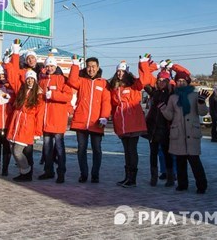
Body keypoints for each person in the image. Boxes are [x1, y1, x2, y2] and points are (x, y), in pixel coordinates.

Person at [159, 67, 209, 194]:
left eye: (183, 80)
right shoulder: (173, 98)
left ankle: (201, 185)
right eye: (178, 81)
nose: (180, 83)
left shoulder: (195, 95)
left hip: (192, 133)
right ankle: (182, 184)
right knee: (180, 162)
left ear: (187, 82)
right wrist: (163, 108)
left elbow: (203, 112)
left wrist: (202, 102)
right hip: (179, 133)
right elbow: (170, 116)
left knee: (195, 161)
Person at [67, 55, 111, 183]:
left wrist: (104, 117)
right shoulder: (81, 81)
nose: (91, 69)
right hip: (81, 122)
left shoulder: (103, 83)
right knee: (81, 149)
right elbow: (71, 81)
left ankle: (95, 174)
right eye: (88, 67)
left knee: (97, 149)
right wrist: (75, 64)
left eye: (93, 66)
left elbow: (106, 102)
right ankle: (84, 173)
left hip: (96, 123)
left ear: (98, 67)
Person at [108, 58, 150, 188]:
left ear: (127, 72)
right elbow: (114, 106)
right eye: (118, 71)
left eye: (122, 71)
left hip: (133, 122)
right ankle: (127, 177)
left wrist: (143, 63)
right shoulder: (114, 88)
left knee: (132, 150)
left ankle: (132, 178)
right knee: (127, 151)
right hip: (122, 123)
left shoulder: (134, 85)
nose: (120, 74)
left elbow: (144, 80)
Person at [5, 43, 44, 182]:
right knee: (13, 149)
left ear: (35, 80)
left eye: (32, 79)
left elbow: (39, 114)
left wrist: (37, 132)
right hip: (16, 123)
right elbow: (12, 75)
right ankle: (24, 173)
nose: (29, 81)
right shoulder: (20, 90)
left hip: (27, 126)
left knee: (17, 151)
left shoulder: (38, 95)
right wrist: (14, 54)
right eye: (28, 78)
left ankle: (27, 171)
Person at [37, 56, 73, 183]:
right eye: (47, 66)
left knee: (59, 147)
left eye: (52, 66)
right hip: (46, 120)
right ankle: (48, 171)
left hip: (57, 119)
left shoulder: (62, 80)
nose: (50, 68)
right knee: (46, 148)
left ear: (55, 66)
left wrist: (53, 95)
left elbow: (68, 96)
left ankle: (61, 172)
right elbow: (39, 99)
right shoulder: (42, 81)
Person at [144, 70, 176, 187]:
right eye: (159, 80)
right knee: (153, 154)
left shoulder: (171, 95)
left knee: (167, 153)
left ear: (168, 82)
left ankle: (170, 177)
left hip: (165, 128)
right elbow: (145, 83)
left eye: (164, 80)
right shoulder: (155, 93)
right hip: (153, 128)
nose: (161, 82)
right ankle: (153, 177)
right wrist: (148, 66)